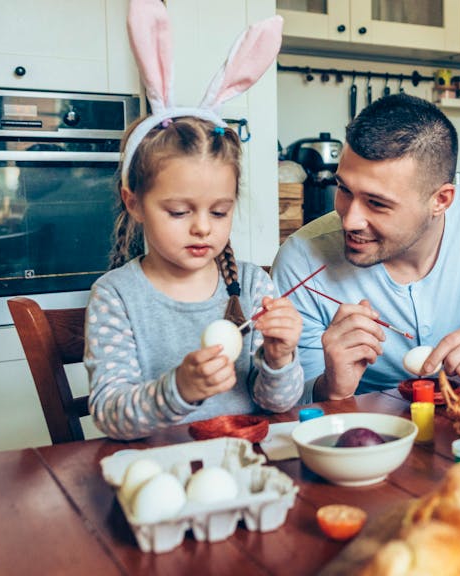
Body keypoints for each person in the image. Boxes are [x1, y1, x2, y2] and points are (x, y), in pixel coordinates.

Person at [85, 0, 302, 440]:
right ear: (134, 203)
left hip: (248, 467)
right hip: (160, 471)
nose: (203, 227)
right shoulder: (116, 296)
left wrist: (280, 357)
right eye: (180, 212)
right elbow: (109, 414)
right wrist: (178, 389)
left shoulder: (253, 285)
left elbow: (277, 404)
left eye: (219, 211)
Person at [272, 93, 460, 402]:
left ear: (440, 200)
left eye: (377, 203)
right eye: (345, 190)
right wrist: (331, 386)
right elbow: (289, 405)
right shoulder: (302, 260)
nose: (349, 221)